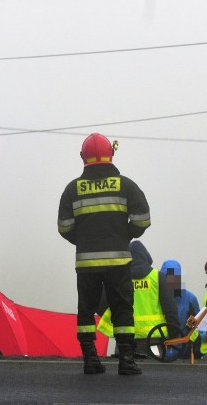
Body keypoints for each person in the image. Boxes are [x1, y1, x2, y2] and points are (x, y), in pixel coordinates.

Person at [57, 133, 151, 375]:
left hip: (86, 264)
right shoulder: (125, 185)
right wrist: (125, 235)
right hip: (119, 262)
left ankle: (91, 360)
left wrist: (83, 241)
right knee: (122, 310)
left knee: (86, 311)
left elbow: (64, 227)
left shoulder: (72, 189)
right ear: (112, 154)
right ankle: (127, 361)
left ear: (82, 157)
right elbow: (143, 220)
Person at [97, 241, 180, 359]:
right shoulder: (157, 277)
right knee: (154, 373)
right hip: (153, 340)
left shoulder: (118, 278)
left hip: (124, 338)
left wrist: (115, 320)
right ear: (146, 257)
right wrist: (173, 336)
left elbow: (100, 305)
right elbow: (170, 309)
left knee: (125, 373)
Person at [160, 259, 201, 360]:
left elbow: (198, 327)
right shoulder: (156, 298)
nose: (171, 280)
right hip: (160, 352)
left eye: (174, 276)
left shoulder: (190, 299)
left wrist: (193, 349)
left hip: (184, 354)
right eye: (167, 277)